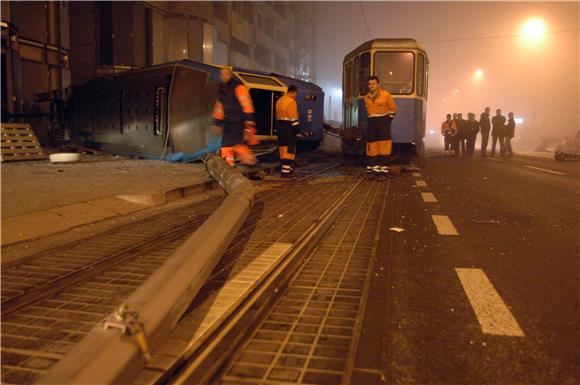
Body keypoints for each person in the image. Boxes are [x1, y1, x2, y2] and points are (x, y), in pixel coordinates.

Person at [212, 67, 258, 166]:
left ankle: (249, 160)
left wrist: (249, 119)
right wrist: (217, 123)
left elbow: (246, 103)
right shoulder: (221, 90)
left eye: (227, 74)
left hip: (238, 122)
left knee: (236, 144)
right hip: (227, 122)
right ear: (220, 76)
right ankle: (229, 166)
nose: (224, 76)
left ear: (231, 75)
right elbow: (219, 107)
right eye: (222, 74)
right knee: (225, 146)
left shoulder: (238, 87)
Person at [363, 76, 397, 175]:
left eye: (373, 83)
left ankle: (383, 171)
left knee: (384, 147)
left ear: (378, 84)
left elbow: (393, 109)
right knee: (372, 146)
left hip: (383, 122)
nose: (371, 86)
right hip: (371, 123)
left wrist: (387, 121)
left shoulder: (386, 95)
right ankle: (373, 169)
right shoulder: (366, 97)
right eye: (369, 84)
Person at [275, 85, 300, 177]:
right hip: (289, 129)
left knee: (283, 149)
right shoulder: (291, 101)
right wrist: (297, 131)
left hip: (280, 128)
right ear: (294, 92)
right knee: (290, 150)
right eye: (296, 93)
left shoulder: (280, 100)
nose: (296, 95)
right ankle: (285, 172)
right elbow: (293, 118)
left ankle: (288, 169)